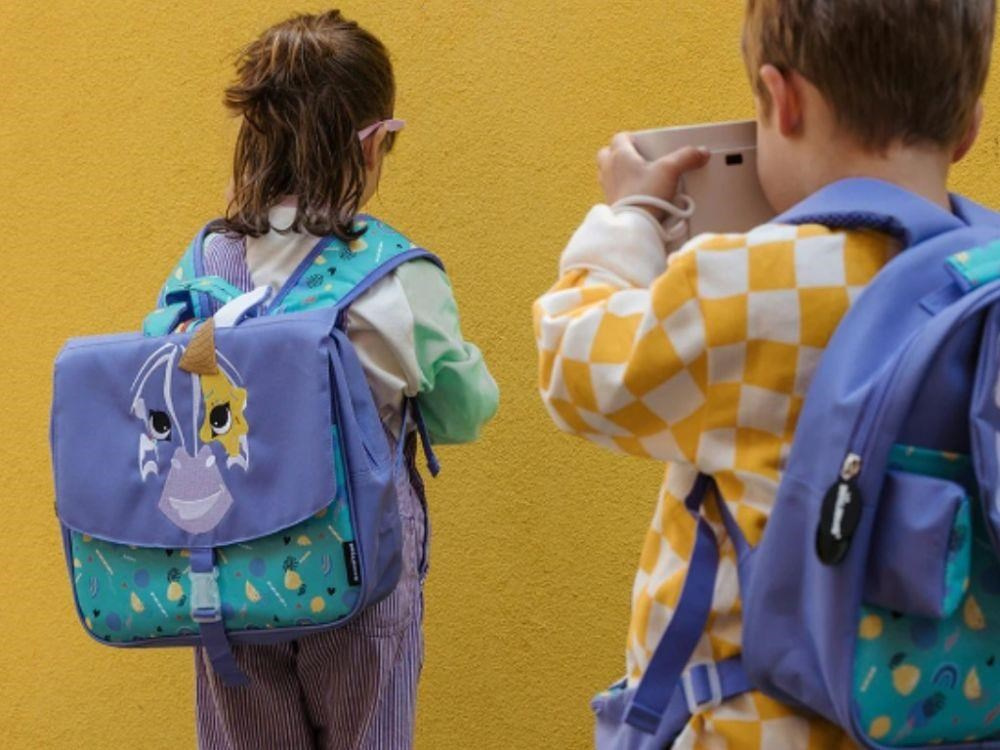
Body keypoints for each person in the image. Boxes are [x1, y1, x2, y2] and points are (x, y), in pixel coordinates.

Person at [533, 0, 995, 746]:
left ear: (782, 102)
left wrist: (631, 218)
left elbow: (577, 368)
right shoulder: (986, 282)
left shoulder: (748, 285)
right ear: (969, 125)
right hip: (946, 721)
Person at [184, 10, 499, 749]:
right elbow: (464, 413)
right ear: (367, 143)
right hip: (359, 569)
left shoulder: (204, 264)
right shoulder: (398, 276)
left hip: (230, 568)